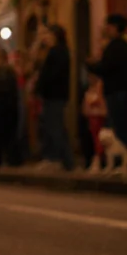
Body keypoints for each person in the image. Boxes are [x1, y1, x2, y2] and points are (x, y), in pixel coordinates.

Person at [87, 14, 127, 166]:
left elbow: (106, 68)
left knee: (120, 125)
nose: (106, 30)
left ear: (115, 28)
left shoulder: (114, 47)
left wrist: (91, 65)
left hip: (117, 91)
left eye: (109, 27)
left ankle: (124, 158)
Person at [33, 24, 74, 171]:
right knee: (56, 126)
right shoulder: (56, 52)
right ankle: (66, 160)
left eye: (48, 34)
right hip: (53, 94)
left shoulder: (58, 52)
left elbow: (51, 75)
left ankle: (54, 157)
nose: (46, 38)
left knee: (54, 127)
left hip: (54, 94)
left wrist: (40, 86)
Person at [82, 75, 108, 171]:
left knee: (98, 138)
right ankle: (96, 158)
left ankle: (98, 159)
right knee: (94, 137)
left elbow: (98, 99)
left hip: (97, 114)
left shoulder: (99, 85)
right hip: (91, 114)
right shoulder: (90, 87)